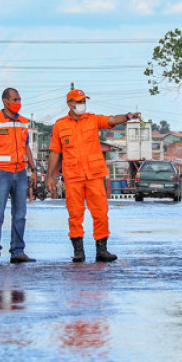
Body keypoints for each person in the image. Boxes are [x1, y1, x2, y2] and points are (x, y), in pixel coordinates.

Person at [48, 89, 140, 262]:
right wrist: (49, 177)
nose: (82, 104)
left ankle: (102, 250)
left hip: (94, 175)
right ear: (70, 104)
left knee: (100, 212)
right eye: (79, 101)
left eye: (84, 101)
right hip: (73, 176)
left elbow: (111, 120)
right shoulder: (60, 125)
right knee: (75, 214)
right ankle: (78, 251)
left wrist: (128, 116)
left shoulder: (92, 119)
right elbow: (54, 152)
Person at [0, 87, 38, 265]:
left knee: (20, 214)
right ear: (6, 101)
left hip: (20, 172)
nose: (18, 103)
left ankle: (17, 251)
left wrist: (33, 169)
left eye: (19, 99)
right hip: (0, 172)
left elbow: (26, 146)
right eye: (15, 99)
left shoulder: (23, 122)